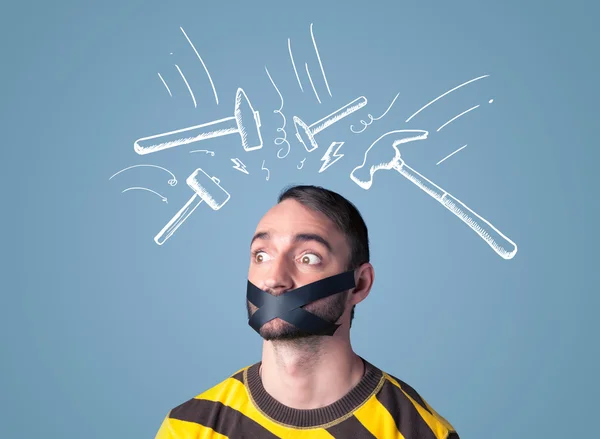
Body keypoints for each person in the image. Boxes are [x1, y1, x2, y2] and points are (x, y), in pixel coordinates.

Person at [154, 184, 460, 439]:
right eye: (261, 255)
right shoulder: (188, 429)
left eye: (308, 258)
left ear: (360, 285)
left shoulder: (421, 432)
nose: (274, 279)